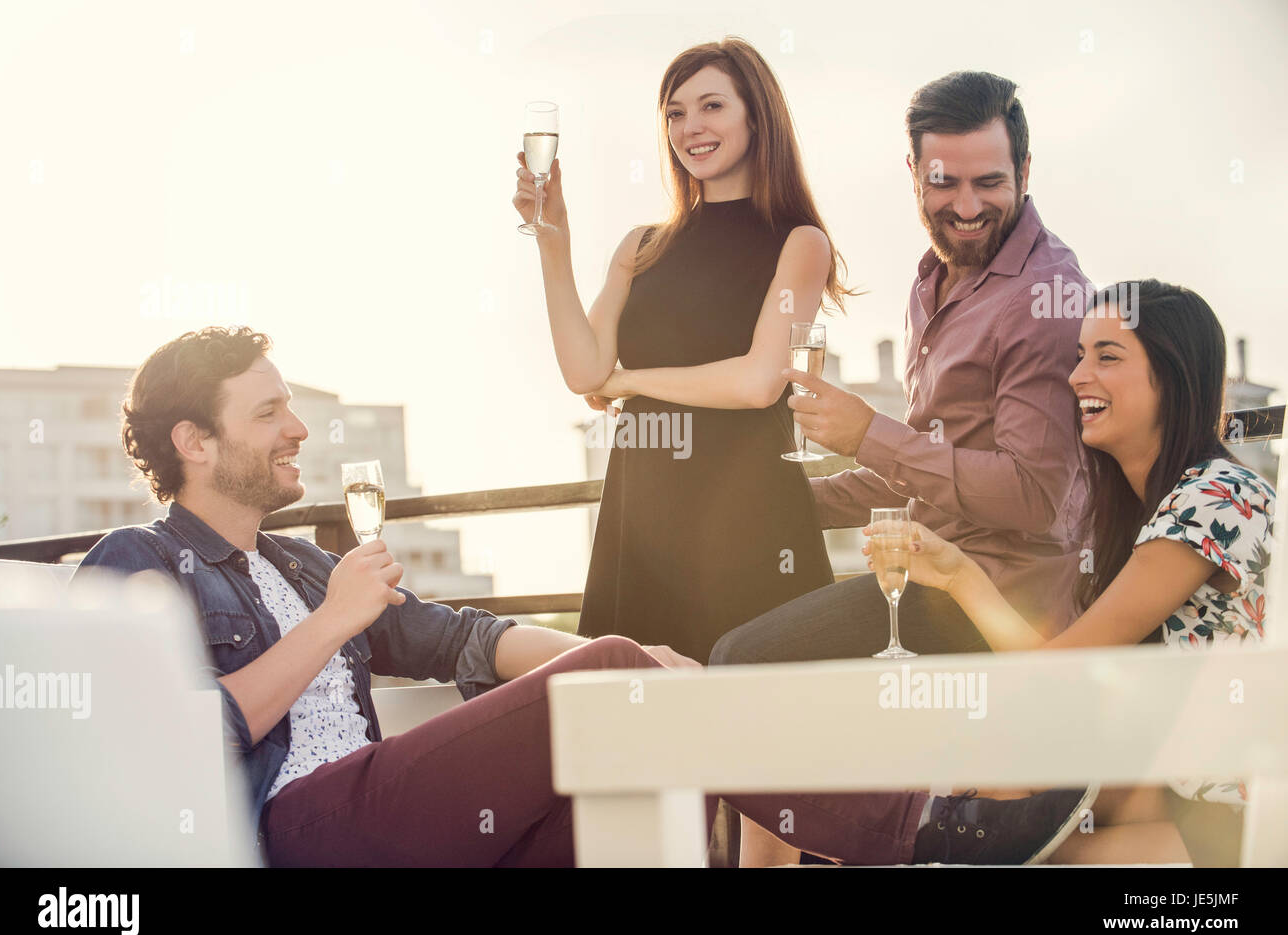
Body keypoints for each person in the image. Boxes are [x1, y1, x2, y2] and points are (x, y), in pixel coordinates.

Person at [77, 325, 1092, 866]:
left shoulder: (302, 566)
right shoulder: (139, 564)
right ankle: (927, 831)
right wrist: (338, 623)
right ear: (195, 444)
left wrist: (641, 664)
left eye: (293, 405)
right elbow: (180, 741)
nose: (297, 428)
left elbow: (462, 639)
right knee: (614, 680)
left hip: (394, 814)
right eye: (268, 411)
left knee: (633, 766)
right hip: (303, 829)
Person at [710, 68, 1093, 865]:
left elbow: (1032, 495)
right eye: (942, 181)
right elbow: (925, 469)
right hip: (925, 573)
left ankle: (908, 835)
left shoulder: (1045, 298)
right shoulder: (933, 281)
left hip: (993, 602)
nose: (964, 204)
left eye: (989, 182)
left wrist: (865, 431)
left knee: (742, 667)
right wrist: (791, 501)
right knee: (739, 625)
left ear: (1026, 173)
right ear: (913, 174)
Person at [864, 281, 1273, 865]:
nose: (1078, 376)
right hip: (1172, 802)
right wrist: (958, 574)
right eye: (1079, 355)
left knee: (994, 796)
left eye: (1107, 356)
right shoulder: (1138, 515)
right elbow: (1068, 673)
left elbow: (1060, 671)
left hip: (1244, 820)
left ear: (1175, 377)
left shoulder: (1217, 497)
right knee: (1002, 780)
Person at [513, 37, 850, 665]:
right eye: (674, 113)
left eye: (712, 106)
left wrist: (629, 381)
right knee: (636, 729)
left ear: (757, 115)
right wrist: (551, 242)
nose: (690, 127)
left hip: (747, 514)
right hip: (642, 515)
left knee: (753, 723)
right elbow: (585, 371)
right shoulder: (641, 244)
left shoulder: (799, 243)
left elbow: (757, 382)